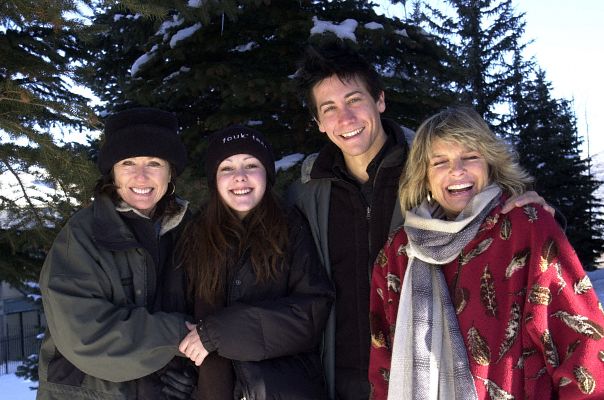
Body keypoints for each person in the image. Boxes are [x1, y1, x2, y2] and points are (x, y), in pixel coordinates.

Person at [288, 41, 555, 400]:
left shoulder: (435, 169)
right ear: (319, 123)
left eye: (354, 100)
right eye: (329, 108)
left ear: (379, 100)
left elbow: (494, 214)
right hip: (340, 378)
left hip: (433, 372)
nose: (346, 119)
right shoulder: (306, 195)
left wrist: (541, 214)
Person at [368, 106, 604, 399]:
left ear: (491, 164)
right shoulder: (398, 253)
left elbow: (584, 346)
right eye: (440, 162)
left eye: (470, 157)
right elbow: (383, 363)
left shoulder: (527, 228)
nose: (457, 170)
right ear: (423, 175)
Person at [37, 107, 195, 400]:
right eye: (128, 163)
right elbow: (88, 337)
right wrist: (183, 336)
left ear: (171, 172)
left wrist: (196, 372)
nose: (141, 176)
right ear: (113, 172)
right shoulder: (81, 238)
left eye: (154, 163)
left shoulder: (191, 232)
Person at [177, 125, 335, 399]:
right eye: (227, 168)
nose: (240, 177)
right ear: (214, 178)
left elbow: (310, 313)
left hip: (279, 389)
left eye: (251, 165)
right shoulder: (194, 233)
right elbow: (176, 313)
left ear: (266, 174)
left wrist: (218, 333)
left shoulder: (291, 227)